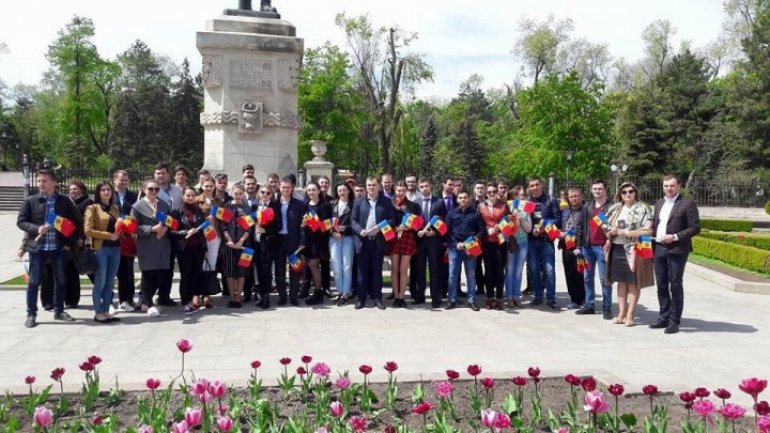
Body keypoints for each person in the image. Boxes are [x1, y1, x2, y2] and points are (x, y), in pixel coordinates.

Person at [17, 170, 80, 328]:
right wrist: (37, 228)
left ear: (53, 183)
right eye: (39, 181)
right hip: (38, 249)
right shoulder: (31, 201)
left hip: (58, 248)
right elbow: (21, 221)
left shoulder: (64, 201)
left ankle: (59, 311)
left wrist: (69, 244)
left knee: (60, 280)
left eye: (44, 181)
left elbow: (76, 223)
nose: (41, 184)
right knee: (34, 282)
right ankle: (31, 314)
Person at [651, 174, 701, 334]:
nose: (669, 189)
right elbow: (655, 225)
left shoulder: (687, 203)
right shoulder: (659, 203)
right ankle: (663, 316)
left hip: (677, 249)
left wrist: (674, 237)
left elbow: (695, 227)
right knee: (661, 284)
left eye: (672, 186)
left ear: (679, 186)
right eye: (666, 186)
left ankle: (674, 321)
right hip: (659, 248)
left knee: (675, 284)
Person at [605, 181, 654, 327]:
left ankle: (631, 314)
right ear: (620, 194)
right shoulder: (615, 208)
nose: (627, 194)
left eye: (630, 191)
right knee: (621, 281)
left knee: (633, 282)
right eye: (624, 192)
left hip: (634, 248)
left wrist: (629, 233)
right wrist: (610, 232)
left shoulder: (643, 208)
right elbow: (605, 225)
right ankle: (621, 313)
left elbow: (648, 230)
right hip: (617, 248)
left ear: (635, 192)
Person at [350, 176, 396, 310]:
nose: (371, 188)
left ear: (379, 186)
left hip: (378, 241)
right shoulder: (358, 202)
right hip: (363, 241)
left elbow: (392, 220)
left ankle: (377, 298)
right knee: (362, 271)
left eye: (373, 185)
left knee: (377, 271)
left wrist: (380, 228)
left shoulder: (386, 202)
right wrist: (360, 230)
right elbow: (353, 220)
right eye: (369, 185)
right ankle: (361, 299)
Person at [131, 179, 172, 317]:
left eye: (156, 189)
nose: (154, 192)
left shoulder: (165, 204)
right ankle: (149, 304)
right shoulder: (137, 206)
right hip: (147, 244)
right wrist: (152, 229)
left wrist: (165, 229)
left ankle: (145, 301)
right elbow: (133, 227)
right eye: (150, 189)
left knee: (160, 274)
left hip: (162, 243)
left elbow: (170, 221)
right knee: (147, 275)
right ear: (144, 190)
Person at [84, 181, 123, 323]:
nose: (106, 192)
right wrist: (108, 236)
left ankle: (106, 310)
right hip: (100, 249)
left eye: (108, 190)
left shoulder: (115, 208)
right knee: (100, 282)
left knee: (110, 282)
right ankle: (98, 312)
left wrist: (124, 229)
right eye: (103, 190)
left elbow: (119, 225)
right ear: (98, 193)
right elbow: (88, 230)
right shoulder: (92, 208)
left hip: (115, 248)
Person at [574, 180, 613, 318]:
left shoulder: (612, 207)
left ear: (605, 190)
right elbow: (580, 227)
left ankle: (607, 308)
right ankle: (589, 305)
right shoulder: (587, 207)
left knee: (604, 279)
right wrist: (578, 246)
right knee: (587, 278)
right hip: (587, 247)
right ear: (591, 190)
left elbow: (615, 227)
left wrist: (610, 240)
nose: (597, 191)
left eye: (600, 189)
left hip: (603, 247)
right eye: (595, 189)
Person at [445, 190, 485, 311]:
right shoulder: (451, 213)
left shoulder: (475, 214)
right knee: (452, 275)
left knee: (471, 275)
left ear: (469, 199)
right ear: (457, 200)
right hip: (455, 248)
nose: (463, 200)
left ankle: (471, 300)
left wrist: (475, 238)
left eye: (465, 197)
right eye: (460, 198)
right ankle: (452, 300)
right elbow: (447, 232)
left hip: (470, 247)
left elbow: (481, 230)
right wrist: (456, 244)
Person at [526, 176, 562, 309]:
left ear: (541, 185)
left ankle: (551, 298)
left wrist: (543, 227)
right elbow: (525, 222)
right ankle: (538, 297)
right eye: (532, 186)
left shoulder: (551, 200)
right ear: (529, 188)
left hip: (546, 240)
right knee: (534, 270)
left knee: (549, 270)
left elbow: (558, 220)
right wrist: (532, 231)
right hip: (531, 240)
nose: (535, 188)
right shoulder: (527, 202)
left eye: (537, 185)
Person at [171, 187, 207, 314]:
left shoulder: (198, 210)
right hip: (184, 248)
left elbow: (203, 229)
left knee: (196, 274)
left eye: (193, 195)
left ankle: (193, 299)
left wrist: (205, 247)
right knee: (186, 275)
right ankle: (185, 301)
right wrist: (186, 232)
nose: (190, 198)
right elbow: (172, 231)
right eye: (188, 195)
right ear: (183, 196)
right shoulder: (176, 212)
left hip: (198, 247)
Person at [218, 184, 253, 308]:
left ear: (243, 194)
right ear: (231, 193)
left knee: (242, 272)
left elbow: (249, 227)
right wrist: (230, 240)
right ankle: (232, 297)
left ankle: (238, 297)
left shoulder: (247, 208)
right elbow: (223, 225)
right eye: (236, 193)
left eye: (240, 193)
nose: (238, 196)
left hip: (245, 245)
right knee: (230, 272)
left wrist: (241, 241)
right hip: (229, 244)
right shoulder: (226, 207)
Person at [414, 178, 445, 308]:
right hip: (420, 241)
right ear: (419, 189)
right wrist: (417, 230)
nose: (424, 188)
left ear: (431, 186)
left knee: (434, 270)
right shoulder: (416, 203)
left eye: (426, 186)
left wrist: (436, 232)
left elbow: (444, 221)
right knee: (420, 270)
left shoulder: (439, 202)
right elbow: (413, 222)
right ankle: (420, 296)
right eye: (421, 186)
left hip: (434, 241)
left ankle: (435, 298)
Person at [388, 181, 421, 308]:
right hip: (393, 237)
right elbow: (385, 220)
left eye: (403, 190)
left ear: (406, 191)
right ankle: (396, 296)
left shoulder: (413, 205)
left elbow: (418, 223)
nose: (400, 193)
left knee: (403, 269)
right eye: (398, 190)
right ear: (395, 191)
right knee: (394, 268)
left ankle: (402, 296)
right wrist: (394, 228)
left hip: (407, 237)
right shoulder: (389, 204)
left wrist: (408, 228)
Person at [300, 182, 332, 306]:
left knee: (314, 265)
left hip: (320, 241)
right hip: (309, 241)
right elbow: (302, 225)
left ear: (319, 191)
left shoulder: (324, 206)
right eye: (309, 190)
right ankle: (317, 291)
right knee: (310, 266)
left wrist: (313, 223)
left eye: (313, 190)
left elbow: (326, 226)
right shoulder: (306, 205)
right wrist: (304, 224)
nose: (311, 192)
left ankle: (318, 292)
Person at [154, 163, 182, 306]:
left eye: (163, 173)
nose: (161, 176)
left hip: (174, 231)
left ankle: (165, 295)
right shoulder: (151, 190)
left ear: (168, 175)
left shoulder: (178, 191)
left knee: (170, 265)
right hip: (157, 231)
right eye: (158, 173)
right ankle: (151, 293)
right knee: (157, 265)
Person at [276, 177, 306, 306]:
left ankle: (294, 296)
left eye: (288, 187)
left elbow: (304, 225)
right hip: (278, 241)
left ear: (292, 188)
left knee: (295, 269)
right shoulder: (274, 204)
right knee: (279, 269)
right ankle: (282, 296)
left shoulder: (299, 205)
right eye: (283, 187)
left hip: (293, 241)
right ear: (279, 187)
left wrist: (302, 241)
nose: (285, 189)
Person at [478, 182, 508, 310]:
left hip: (500, 241)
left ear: (497, 192)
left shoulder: (504, 206)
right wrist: (486, 229)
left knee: (499, 271)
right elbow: (478, 223)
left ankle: (499, 298)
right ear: (486, 193)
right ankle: (489, 297)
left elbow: (509, 221)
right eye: (489, 192)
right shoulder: (480, 206)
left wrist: (499, 227)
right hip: (487, 242)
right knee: (489, 271)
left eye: (494, 191)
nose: (491, 194)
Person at [113, 170, 139, 312]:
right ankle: (117, 299)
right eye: (121, 180)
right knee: (117, 271)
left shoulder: (134, 197)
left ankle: (128, 299)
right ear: (114, 181)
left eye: (126, 180)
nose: (123, 182)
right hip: (114, 237)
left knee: (128, 270)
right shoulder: (110, 195)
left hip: (129, 238)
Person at [197, 176, 224, 308]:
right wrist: (206, 219)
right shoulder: (197, 200)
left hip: (216, 235)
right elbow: (194, 218)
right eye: (206, 186)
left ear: (214, 187)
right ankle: (197, 293)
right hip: (202, 235)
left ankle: (207, 293)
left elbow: (224, 217)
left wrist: (217, 218)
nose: (208, 188)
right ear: (201, 186)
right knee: (200, 263)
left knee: (211, 264)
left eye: (211, 186)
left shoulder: (218, 201)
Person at [65, 180, 93, 309]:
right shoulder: (66, 202)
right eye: (71, 189)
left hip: (81, 240)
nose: (73, 191)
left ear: (82, 189)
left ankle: (105, 291)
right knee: (70, 271)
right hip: (69, 239)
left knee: (88, 268)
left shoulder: (87, 202)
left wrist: (83, 237)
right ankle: (70, 299)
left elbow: (87, 222)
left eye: (75, 189)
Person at [253, 184, 282, 308]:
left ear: (272, 194)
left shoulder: (275, 206)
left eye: (268, 193)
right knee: (259, 269)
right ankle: (260, 294)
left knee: (266, 270)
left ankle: (266, 297)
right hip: (255, 242)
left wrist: (266, 230)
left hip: (268, 242)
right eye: (263, 192)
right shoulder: (255, 206)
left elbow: (279, 226)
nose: (265, 195)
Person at [504, 186, 532, 307]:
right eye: (520, 195)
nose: (522, 197)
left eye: (523, 195)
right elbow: (504, 227)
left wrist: (521, 220)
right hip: (511, 242)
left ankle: (516, 296)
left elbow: (529, 229)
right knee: (510, 270)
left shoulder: (526, 209)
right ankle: (509, 296)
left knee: (519, 270)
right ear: (514, 196)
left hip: (523, 242)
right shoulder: (508, 207)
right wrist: (512, 219)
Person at [559, 187, 586, 309]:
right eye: (571, 197)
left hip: (580, 246)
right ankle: (574, 299)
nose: (574, 199)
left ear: (581, 196)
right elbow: (561, 224)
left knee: (581, 273)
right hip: (567, 246)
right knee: (569, 273)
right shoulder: (565, 210)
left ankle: (583, 299)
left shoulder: (586, 209)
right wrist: (559, 233)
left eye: (576, 196)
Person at [329, 182, 355, 306]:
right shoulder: (332, 204)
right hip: (334, 239)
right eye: (339, 190)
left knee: (347, 266)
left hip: (348, 238)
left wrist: (343, 229)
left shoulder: (354, 205)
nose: (341, 193)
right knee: (336, 267)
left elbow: (356, 223)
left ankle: (346, 293)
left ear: (349, 191)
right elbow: (326, 222)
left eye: (344, 190)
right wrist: (332, 232)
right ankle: (340, 292)